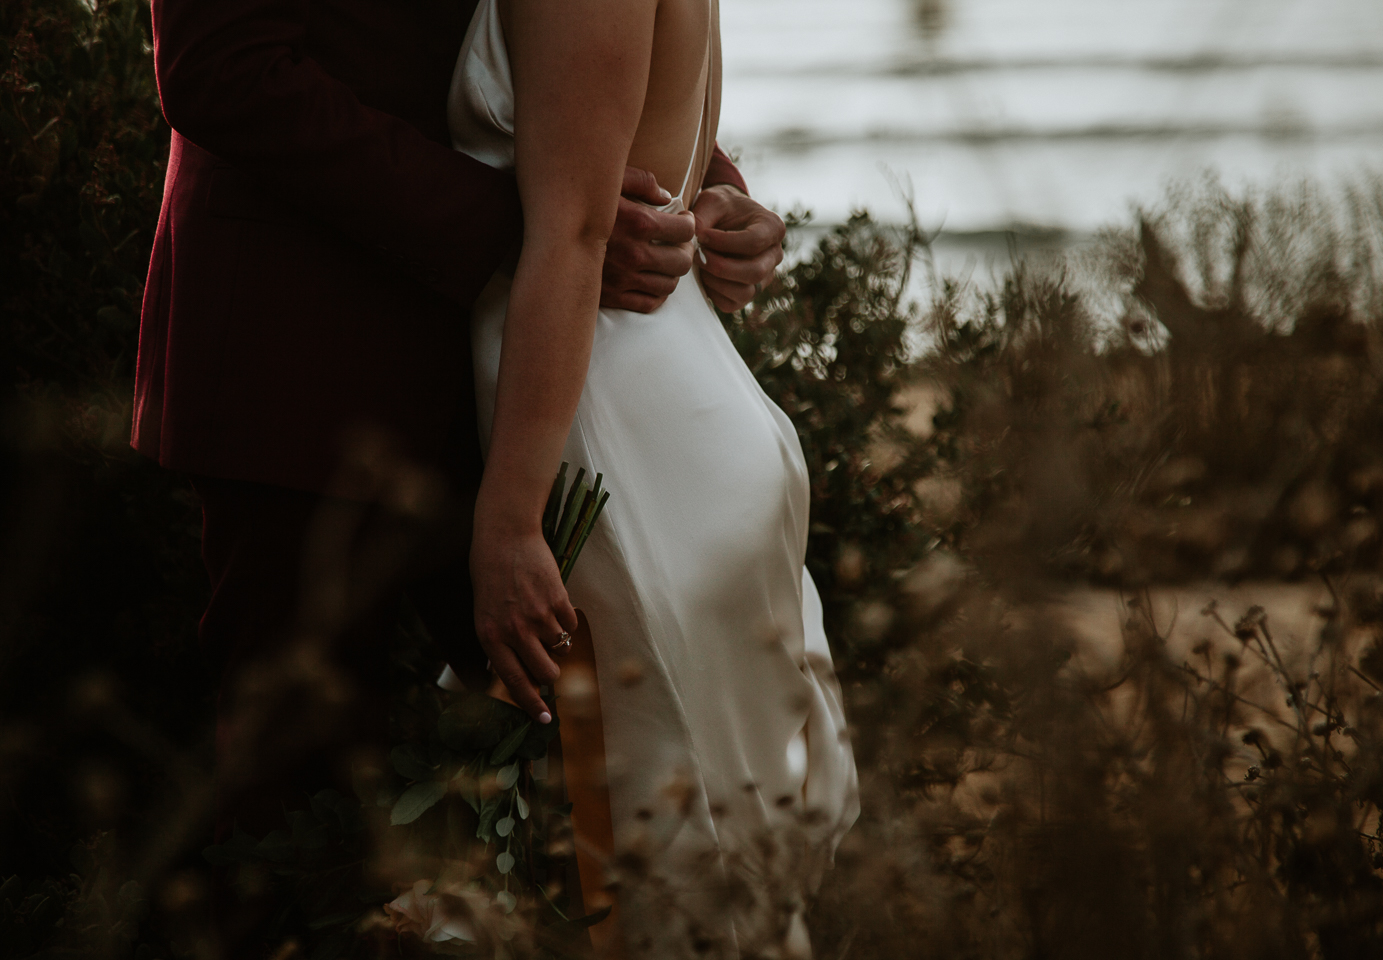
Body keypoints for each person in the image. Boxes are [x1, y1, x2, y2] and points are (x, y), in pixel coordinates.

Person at [131, 0, 785, 954]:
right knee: (296, 815)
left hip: (517, 385)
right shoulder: (520, 240)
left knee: (579, 790)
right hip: (301, 364)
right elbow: (220, 71)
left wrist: (690, 187)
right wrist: (540, 226)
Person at [451, 0, 861, 953]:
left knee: (669, 869)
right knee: (695, 859)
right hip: (665, 392)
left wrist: (510, 522)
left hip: (610, 429)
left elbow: (576, 234)